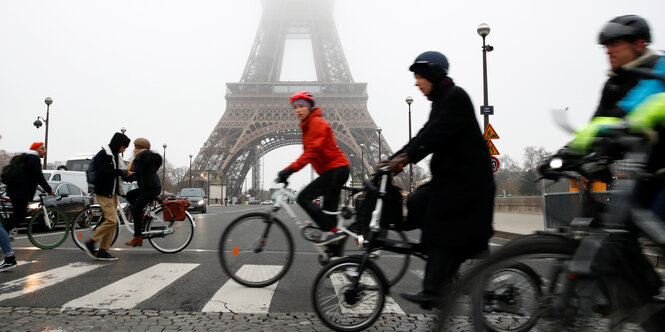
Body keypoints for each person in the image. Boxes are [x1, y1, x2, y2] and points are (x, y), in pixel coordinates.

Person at [379, 51, 495, 309]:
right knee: (419, 201)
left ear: (433, 73)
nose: (416, 82)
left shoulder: (456, 97)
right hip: (452, 181)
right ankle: (435, 258)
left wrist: (403, 160)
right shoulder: (442, 100)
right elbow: (422, 134)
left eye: (419, 76)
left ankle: (434, 288)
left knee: (438, 226)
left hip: (468, 184)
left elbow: (433, 136)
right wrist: (394, 158)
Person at [277, 91, 350, 251]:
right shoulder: (308, 125)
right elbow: (311, 153)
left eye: (302, 106)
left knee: (303, 198)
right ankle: (335, 254)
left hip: (335, 170)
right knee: (328, 214)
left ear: (309, 107)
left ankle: (332, 233)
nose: (298, 110)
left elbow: (311, 152)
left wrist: (289, 170)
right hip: (334, 170)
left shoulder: (316, 123)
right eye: (295, 107)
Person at [2, 142, 54, 271]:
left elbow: (28, 177)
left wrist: (41, 189)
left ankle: (4, 232)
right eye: (42, 148)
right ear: (35, 149)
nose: (44, 151)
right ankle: (4, 233)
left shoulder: (25, 159)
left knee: (18, 215)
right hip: (20, 193)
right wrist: (48, 189)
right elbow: (38, 176)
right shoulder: (34, 159)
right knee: (19, 216)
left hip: (15, 191)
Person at [82, 132, 130, 261]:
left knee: (112, 223)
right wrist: (121, 172)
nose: (124, 149)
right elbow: (102, 172)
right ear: (118, 144)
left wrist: (126, 174)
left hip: (112, 192)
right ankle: (91, 242)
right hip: (104, 191)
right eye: (124, 146)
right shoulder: (103, 155)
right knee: (111, 221)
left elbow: (112, 172)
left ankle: (104, 250)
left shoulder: (113, 155)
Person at [124, 138, 162, 247]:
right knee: (130, 195)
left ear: (138, 147)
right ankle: (140, 215)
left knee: (135, 209)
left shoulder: (142, 156)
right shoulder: (147, 156)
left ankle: (137, 237)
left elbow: (139, 171)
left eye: (135, 146)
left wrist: (126, 175)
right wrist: (128, 177)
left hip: (150, 188)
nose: (133, 149)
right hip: (150, 187)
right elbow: (142, 173)